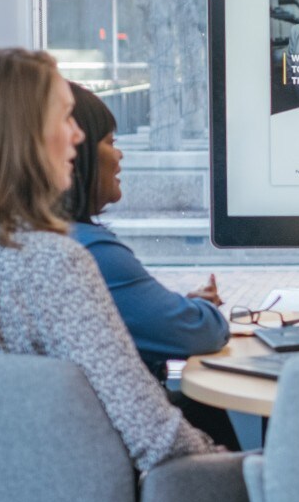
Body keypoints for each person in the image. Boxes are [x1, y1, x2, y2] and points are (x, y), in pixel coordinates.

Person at [0, 48, 217, 473]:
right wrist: (231, 465)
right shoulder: (53, 262)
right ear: (26, 136)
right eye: (65, 119)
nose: (78, 137)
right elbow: (158, 440)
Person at [61, 81, 240, 449]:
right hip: (141, 469)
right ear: (75, 156)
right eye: (110, 142)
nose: (120, 155)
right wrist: (202, 308)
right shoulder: (88, 254)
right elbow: (199, 332)